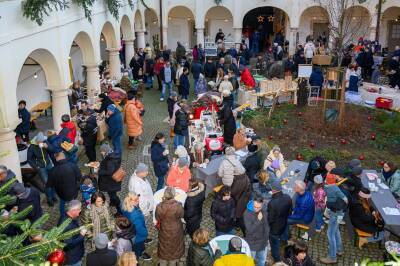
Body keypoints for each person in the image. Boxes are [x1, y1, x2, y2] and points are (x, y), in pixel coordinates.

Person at [320, 173, 348, 264]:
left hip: (335, 213)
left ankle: (332, 257)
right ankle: (339, 249)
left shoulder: (330, 188)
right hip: (340, 213)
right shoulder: (338, 187)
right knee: (336, 231)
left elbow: (343, 199)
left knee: (330, 234)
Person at [156, 187, 185, 265]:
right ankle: (174, 261)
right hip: (176, 229)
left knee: (164, 244)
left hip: (164, 228)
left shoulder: (159, 206)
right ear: (173, 195)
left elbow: (157, 217)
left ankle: (163, 260)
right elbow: (182, 215)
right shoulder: (178, 206)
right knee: (175, 244)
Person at [27, 132, 56, 205]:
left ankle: (53, 196)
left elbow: (53, 150)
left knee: (52, 181)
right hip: (41, 167)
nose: (41, 142)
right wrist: (36, 167)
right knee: (46, 183)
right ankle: (49, 199)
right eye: (39, 142)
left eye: (42, 141)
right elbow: (29, 159)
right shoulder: (32, 146)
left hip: (48, 164)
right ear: (37, 140)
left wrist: (47, 147)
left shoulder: (45, 141)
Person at [268, 180, 292, 262]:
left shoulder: (272, 203)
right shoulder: (288, 197)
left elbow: (270, 219)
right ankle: (284, 242)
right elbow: (290, 211)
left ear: (273, 190)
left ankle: (277, 259)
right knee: (284, 234)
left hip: (275, 229)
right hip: (285, 223)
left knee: (274, 245)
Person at [121, 192, 152, 261]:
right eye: (135, 200)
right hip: (137, 237)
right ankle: (136, 261)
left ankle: (141, 252)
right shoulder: (134, 215)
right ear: (130, 201)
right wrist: (146, 234)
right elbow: (140, 229)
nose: (138, 200)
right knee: (136, 251)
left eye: (138, 198)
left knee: (140, 246)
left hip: (131, 233)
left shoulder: (126, 206)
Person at [59, 200, 86, 266]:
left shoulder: (67, 216)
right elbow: (68, 244)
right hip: (73, 258)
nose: (80, 211)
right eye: (79, 209)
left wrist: (79, 229)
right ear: (73, 211)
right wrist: (81, 235)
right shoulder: (67, 226)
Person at [244, 197, 269, 266]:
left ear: (262, 205)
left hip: (263, 242)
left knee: (262, 260)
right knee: (250, 261)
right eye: (255, 207)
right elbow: (250, 230)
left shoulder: (264, 210)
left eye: (259, 207)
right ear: (252, 204)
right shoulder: (247, 213)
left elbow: (266, 225)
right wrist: (258, 220)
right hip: (252, 243)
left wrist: (267, 238)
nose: (256, 209)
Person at [98, 143, 122, 215]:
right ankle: (112, 202)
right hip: (112, 181)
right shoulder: (112, 155)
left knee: (113, 195)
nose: (101, 152)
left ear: (105, 150)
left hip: (111, 182)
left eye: (101, 151)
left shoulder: (110, 160)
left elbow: (109, 171)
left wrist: (100, 171)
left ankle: (119, 210)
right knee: (111, 193)